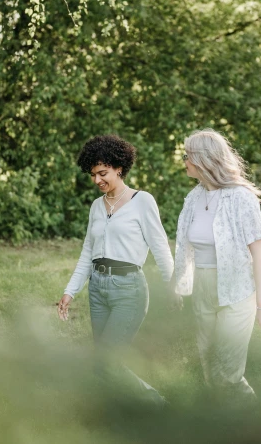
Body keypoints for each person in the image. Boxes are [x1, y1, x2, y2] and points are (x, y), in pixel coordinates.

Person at [58, 134, 177, 409]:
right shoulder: (97, 207)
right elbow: (88, 253)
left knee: (106, 361)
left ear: (119, 168)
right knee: (103, 364)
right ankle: (118, 414)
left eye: (103, 173)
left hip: (129, 290)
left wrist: (173, 286)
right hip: (98, 290)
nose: (97, 180)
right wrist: (70, 291)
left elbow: (160, 248)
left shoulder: (142, 201)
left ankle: (159, 406)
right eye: (92, 174)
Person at [173, 128, 261, 401]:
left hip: (237, 290)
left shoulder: (241, 198)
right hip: (203, 288)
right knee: (209, 365)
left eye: (188, 155)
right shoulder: (193, 198)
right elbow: (184, 247)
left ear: (204, 159)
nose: (184, 160)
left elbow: (258, 252)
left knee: (229, 370)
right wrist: (179, 283)